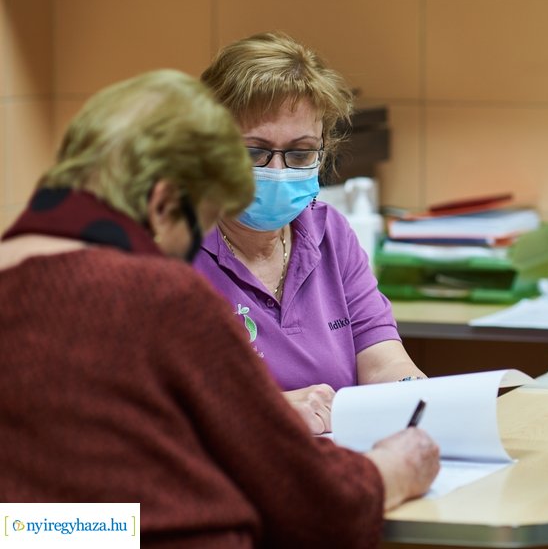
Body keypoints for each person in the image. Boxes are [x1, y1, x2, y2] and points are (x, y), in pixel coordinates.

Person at [0, 69, 439, 548]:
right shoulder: (159, 296)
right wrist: (395, 468)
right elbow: (316, 501)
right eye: (201, 222)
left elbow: (36, 525)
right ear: (164, 203)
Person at [196, 31, 426, 434]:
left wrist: (422, 397)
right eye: (254, 152)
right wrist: (271, 409)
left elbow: (382, 360)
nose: (278, 171)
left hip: (333, 459)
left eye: (301, 153)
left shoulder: (328, 232)